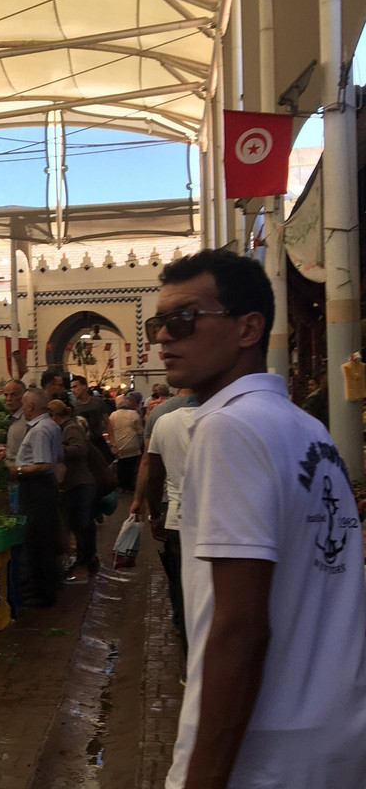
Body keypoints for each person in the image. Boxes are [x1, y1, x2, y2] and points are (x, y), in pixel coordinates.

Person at [152, 249, 366, 789]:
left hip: (261, 758)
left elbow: (240, 629)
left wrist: (203, 778)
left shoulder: (229, 431)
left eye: (184, 319)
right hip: (332, 743)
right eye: (159, 323)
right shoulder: (306, 430)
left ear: (248, 328)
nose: (163, 337)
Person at [144, 401, 197, 658]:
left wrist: (155, 515)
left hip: (178, 518)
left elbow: (154, 475)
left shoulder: (165, 422)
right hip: (218, 522)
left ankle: (190, 660)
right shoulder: (228, 418)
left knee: (184, 591)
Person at [6, 389, 62, 607]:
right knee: (45, 539)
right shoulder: (51, 425)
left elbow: (44, 464)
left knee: (38, 541)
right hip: (45, 488)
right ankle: (46, 588)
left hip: (37, 488)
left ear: (30, 407)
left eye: (23, 402)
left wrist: (18, 471)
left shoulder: (39, 430)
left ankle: (44, 594)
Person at [48, 399, 98, 583]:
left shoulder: (70, 428)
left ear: (54, 415)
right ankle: (87, 561)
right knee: (83, 525)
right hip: (78, 483)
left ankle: (83, 567)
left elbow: (79, 449)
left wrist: (57, 449)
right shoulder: (70, 426)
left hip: (80, 483)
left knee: (81, 525)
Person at [107, 395, 143, 490]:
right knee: (131, 467)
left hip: (119, 444)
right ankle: (130, 485)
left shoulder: (113, 415)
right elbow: (140, 431)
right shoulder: (134, 414)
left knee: (121, 466)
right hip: (133, 444)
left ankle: (122, 485)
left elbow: (110, 429)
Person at [70, 376, 110, 456]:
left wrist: (113, 443)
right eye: (71, 388)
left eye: (75, 387)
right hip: (84, 443)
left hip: (99, 441)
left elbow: (107, 422)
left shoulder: (98, 402)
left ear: (84, 386)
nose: (73, 390)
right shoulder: (73, 407)